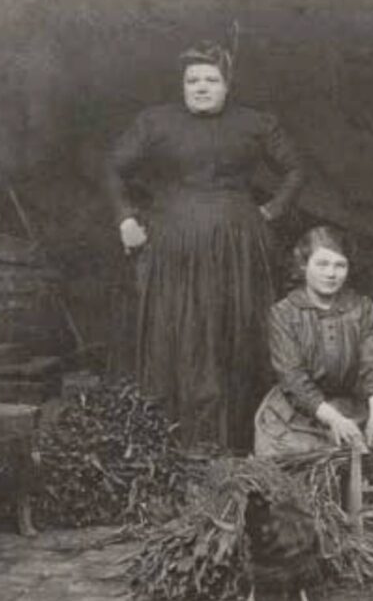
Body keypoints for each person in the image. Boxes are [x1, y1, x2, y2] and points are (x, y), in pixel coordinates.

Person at [105, 40, 305, 453]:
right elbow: (113, 167)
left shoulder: (255, 124)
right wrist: (125, 217)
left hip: (238, 244)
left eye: (211, 80)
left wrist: (269, 211)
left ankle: (238, 443)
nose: (200, 87)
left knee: (233, 331)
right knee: (176, 331)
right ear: (182, 85)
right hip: (173, 242)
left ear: (227, 86)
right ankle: (172, 445)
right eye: (192, 80)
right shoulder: (155, 123)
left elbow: (295, 169)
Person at [254, 226, 373, 457]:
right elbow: (293, 378)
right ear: (303, 265)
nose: (331, 274)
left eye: (340, 265)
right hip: (294, 416)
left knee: (367, 462)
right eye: (322, 264)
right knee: (302, 470)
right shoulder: (283, 313)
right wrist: (335, 420)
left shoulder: (363, 308)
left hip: (350, 410)